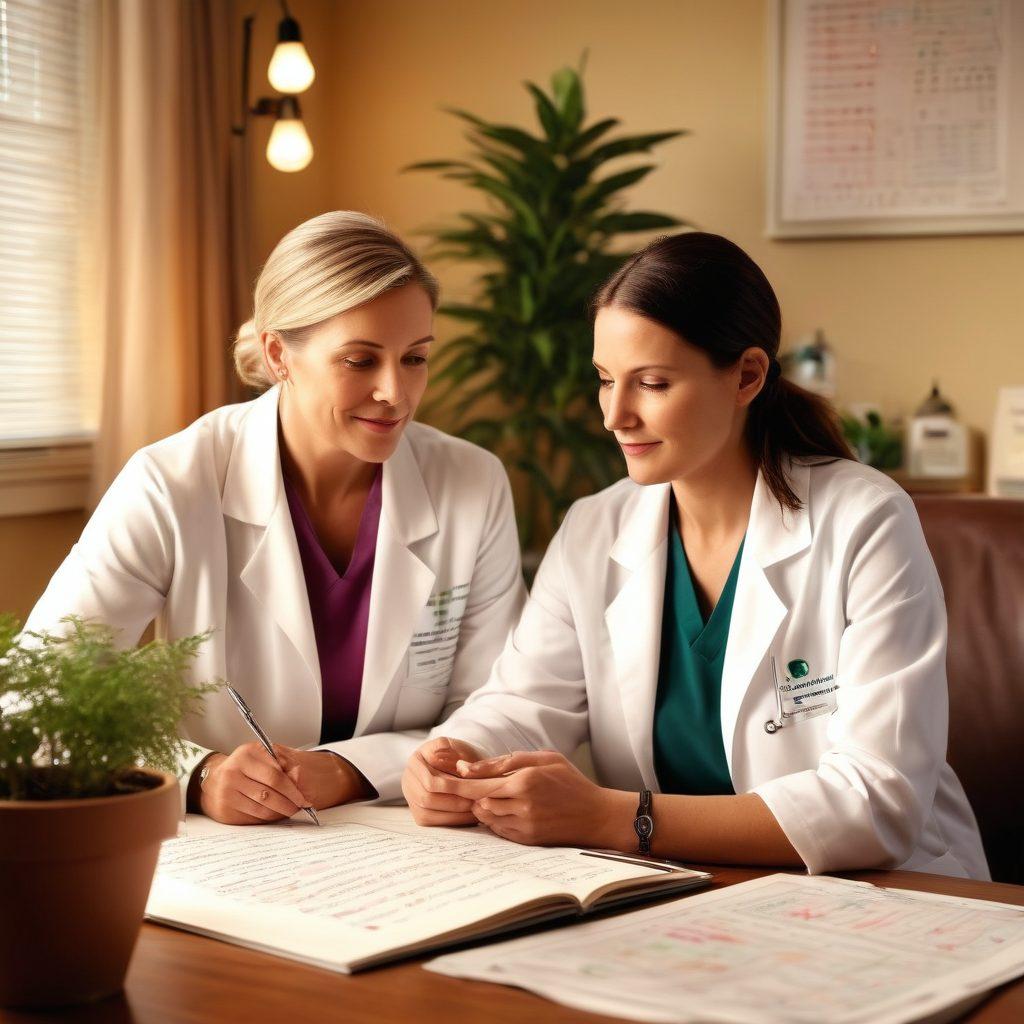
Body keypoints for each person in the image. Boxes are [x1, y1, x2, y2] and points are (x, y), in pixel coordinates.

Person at [402, 232, 989, 880]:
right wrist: (456, 755)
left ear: (747, 375)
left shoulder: (865, 521)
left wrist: (618, 817)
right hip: (685, 891)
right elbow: (524, 701)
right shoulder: (594, 529)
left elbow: (876, 803)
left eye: (652, 383)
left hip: (888, 893)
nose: (615, 415)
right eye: (605, 381)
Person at [26, 211, 525, 825]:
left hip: (413, 839)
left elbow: (500, 705)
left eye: (415, 358)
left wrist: (350, 770)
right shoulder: (173, 481)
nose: (396, 392)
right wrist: (198, 774)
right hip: (229, 849)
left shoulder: (471, 482)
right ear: (278, 354)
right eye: (360, 361)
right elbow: (36, 698)